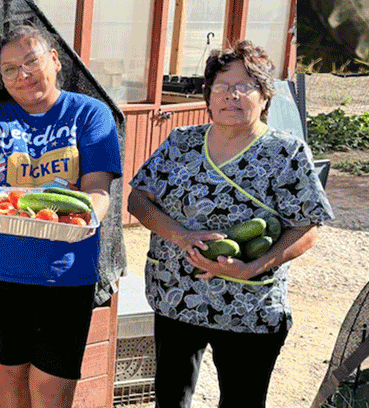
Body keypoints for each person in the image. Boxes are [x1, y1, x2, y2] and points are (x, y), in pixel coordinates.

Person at [128, 40, 333, 408]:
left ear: (265, 95)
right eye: (221, 87)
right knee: (171, 399)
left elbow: (307, 227)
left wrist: (251, 268)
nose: (231, 96)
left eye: (245, 87)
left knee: (242, 401)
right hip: (178, 296)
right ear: (207, 96)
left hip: (249, 304)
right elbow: (138, 199)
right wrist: (181, 235)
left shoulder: (285, 153)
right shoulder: (181, 143)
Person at [0, 24, 122, 408]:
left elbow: (98, 191)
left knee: (54, 385)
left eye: (30, 61)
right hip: (1, 268)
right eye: (10, 68)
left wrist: (84, 220)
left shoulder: (90, 113)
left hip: (65, 272)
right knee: (11, 372)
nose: (22, 75)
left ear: (54, 60)